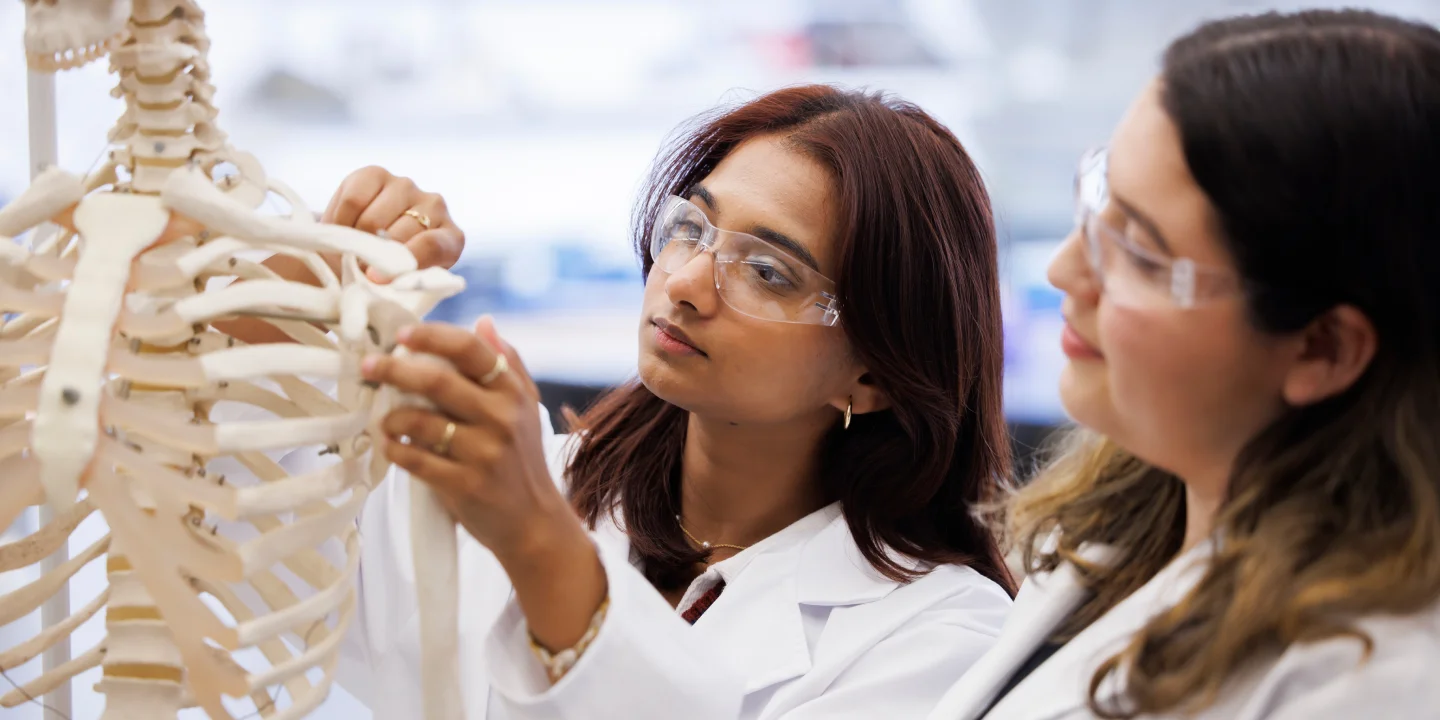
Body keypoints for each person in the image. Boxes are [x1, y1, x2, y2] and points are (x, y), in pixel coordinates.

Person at [319, 85, 1016, 718]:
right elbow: (249, 541)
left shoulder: (941, 642)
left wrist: (539, 543)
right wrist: (309, 278)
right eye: (692, 228)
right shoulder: (534, 479)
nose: (684, 281)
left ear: (873, 378)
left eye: (767, 271)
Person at [926, 9, 1440, 719]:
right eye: (1098, 203)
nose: (1065, 268)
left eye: (1138, 254)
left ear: (1322, 348)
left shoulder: (1368, 683)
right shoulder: (1125, 532)